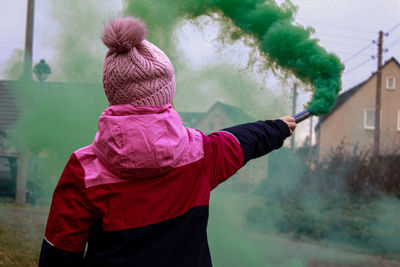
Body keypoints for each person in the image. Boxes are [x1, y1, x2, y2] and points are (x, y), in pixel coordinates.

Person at [39, 16, 296, 267]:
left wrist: (276, 127)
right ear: (167, 96)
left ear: (112, 94)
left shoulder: (83, 169)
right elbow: (243, 139)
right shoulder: (200, 153)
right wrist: (278, 127)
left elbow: (59, 253)